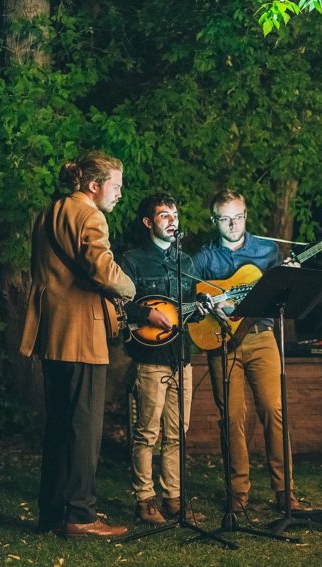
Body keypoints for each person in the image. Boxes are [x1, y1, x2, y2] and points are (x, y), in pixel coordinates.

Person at [19, 150, 136, 539]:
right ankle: (81, 516)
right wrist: (131, 287)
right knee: (83, 430)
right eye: (115, 186)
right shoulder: (90, 215)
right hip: (82, 334)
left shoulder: (50, 212)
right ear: (93, 185)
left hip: (53, 332)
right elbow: (102, 269)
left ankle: (52, 514)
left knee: (59, 427)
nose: (119, 193)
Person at [192, 189, 303, 514]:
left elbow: (283, 293)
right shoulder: (205, 257)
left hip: (260, 336)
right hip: (220, 341)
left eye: (238, 217)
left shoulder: (267, 251)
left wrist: (290, 277)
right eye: (225, 218)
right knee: (231, 416)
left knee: (274, 410)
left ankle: (284, 491)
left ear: (246, 215)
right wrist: (209, 305)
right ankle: (237, 491)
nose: (232, 224)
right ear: (215, 220)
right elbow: (188, 292)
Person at [118, 193, 207, 525]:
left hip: (181, 357)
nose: (172, 220)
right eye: (164, 215)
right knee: (146, 433)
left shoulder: (187, 261)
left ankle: (174, 498)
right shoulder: (133, 261)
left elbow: (191, 311)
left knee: (177, 433)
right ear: (148, 222)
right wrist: (146, 312)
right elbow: (119, 305)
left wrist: (201, 310)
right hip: (150, 358)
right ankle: (145, 499)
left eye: (175, 215)